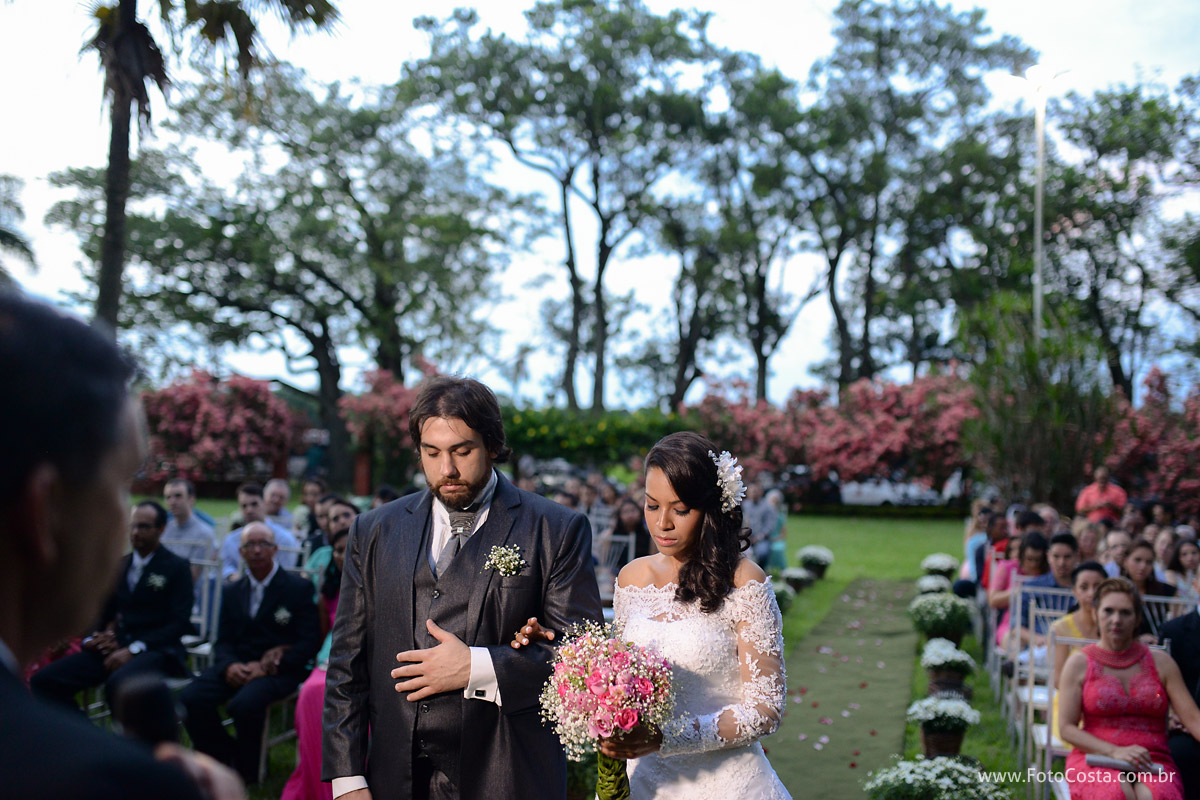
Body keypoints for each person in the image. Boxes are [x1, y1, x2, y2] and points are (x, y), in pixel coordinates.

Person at [0, 292, 241, 800]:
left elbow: (175, 621)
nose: (128, 522)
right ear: (45, 512)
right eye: (121, 483)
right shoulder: (113, 785)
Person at [321, 376, 603, 800]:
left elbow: (580, 660)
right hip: (395, 779)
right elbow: (347, 660)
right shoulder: (374, 529)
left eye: (462, 451)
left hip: (508, 775)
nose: (446, 470)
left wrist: (476, 666)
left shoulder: (557, 529)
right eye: (431, 453)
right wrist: (347, 778)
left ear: (492, 444)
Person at [599, 432, 789, 799]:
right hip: (642, 782)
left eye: (681, 509)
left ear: (710, 509)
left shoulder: (744, 582)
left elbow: (766, 709)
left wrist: (666, 737)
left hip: (727, 785)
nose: (662, 523)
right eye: (651, 505)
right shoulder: (631, 578)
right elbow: (621, 680)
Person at [182, 523, 323, 785]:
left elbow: (309, 641)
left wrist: (270, 665)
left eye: (263, 544)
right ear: (241, 552)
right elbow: (222, 640)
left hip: (278, 669)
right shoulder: (232, 590)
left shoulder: (297, 588)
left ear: (275, 549)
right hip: (237, 664)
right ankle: (226, 756)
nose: (256, 550)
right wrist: (229, 665)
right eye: (250, 545)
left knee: (244, 704)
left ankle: (249, 771)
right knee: (191, 697)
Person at [31, 500, 194, 710]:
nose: (135, 532)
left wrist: (135, 649)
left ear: (161, 529)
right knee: (44, 681)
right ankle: (81, 731)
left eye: (144, 527)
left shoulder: (177, 568)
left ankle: (127, 733)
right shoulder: (119, 565)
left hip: (157, 650)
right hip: (117, 646)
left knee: (118, 685)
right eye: (132, 526)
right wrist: (92, 639)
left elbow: (179, 623)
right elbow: (103, 612)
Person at [1059, 579, 1200, 800]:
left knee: (1156, 796)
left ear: (1137, 619)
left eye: (1125, 612)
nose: (1116, 620)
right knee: (1115, 794)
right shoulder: (1079, 663)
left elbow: (1193, 718)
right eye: (1108, 611)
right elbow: (1066, 728)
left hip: (1152, 758)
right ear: (1095, 614)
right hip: (1096, 756)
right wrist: (1114, 751)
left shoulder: (1161, 662)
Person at [282, 506, 357, 800]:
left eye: (348, 549)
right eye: (337, 551)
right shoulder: (329, 586)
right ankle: (318, 785)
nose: (343, 555)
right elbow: (322, 631)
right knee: (311, 693)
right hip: (330, 655)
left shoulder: (380, 581)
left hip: (366, 657)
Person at [1049, 561, 1107, 745]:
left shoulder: (1115, 627)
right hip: (1071, 702)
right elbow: (1057, 679)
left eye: (1097, 586)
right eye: (1084, 587)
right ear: (1074, 591)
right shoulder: (1060, 628)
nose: (1091, 593)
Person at [1159, 588, 1200, 800]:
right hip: (1182, 726)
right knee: (1179, 754)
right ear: (1196, 585)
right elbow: (1158, 684)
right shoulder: (1173, 630)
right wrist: (1170, 713)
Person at [218, 483, 299, 580]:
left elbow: (286, 572)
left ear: (265, 503)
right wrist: (232, 576)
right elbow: (225, 566)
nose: (249, 510)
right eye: (244, 506)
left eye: (254, 504)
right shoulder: (231, 539)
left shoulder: (284, 539)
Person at [162, 477, 216, 571]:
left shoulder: (204, 533)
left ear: (191, 499)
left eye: (178, 496)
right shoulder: (163, 529)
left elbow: (192, 575)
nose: (172, 502)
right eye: (168, 497)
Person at [1165, 540, 1200, 605]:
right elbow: (1173, 598)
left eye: (1194, 553)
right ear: (1178, 557)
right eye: (1184, 554)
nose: (1190, 558)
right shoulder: (1172, 574)